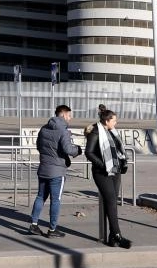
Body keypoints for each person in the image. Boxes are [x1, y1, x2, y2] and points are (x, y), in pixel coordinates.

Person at [29, 104, 81, 237]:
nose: (71, 118)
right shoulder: (63, 130)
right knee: (55, 199)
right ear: (63, 115)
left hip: (44, 168)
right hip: (57, 171)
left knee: (40, 196)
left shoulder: (44, 128)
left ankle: (33, 225)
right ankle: (52, 229)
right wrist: (78, 150)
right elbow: (68, 149)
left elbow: (39, 146)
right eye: (69, 115)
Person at [85, 106, 131, 248]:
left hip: (115, 171)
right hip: (102, 172)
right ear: (107, 121)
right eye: (114, 120)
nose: (116, 123)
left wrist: (123, 162)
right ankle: (117, 235)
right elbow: (89, 153)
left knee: (111, 202)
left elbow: (117, 150)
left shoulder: (111, 132)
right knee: (111, 201)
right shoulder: (96, 133)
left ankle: (112, 236)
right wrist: (103, 165)